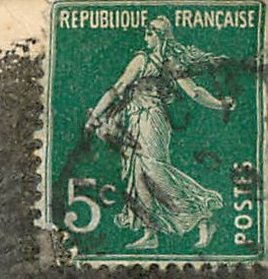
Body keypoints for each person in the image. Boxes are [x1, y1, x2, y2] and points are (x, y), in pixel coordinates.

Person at [85, 17, 235, 250]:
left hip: (153, 120)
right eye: (146, 31)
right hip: (132, 120)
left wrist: (219, 104)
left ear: (161, 36)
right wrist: (96, 114)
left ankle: (202, 215)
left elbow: (195, 92)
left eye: (150, 32)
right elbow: (118, 88)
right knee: (137, 175)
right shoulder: (140, 59)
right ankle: (150, 232)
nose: (146, 36)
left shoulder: (170, 63)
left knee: (156, 171)